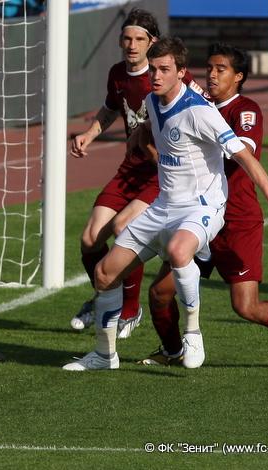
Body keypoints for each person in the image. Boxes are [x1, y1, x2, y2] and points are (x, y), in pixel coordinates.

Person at [63, 36, 268, 371]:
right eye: (153, 69)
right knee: (104, 273)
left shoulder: (200, 112)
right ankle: (104, 355)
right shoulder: (152, 100)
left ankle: (193, 334)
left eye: (164, 69)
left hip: (202, 206)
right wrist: (140, 136)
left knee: (178, 250)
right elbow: (152, 124)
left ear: (182, 72)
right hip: (163, 205)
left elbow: (244, 157)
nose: (155, 76)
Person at [140, 43, 268, 371]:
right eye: (209, 68)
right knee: (159, 293)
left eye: (221, 69)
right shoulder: (194, 104)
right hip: (198, 216)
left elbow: (241, 154)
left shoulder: (245, 110)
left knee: (245, 306)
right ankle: (173, 350)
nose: (212, 74)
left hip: (236, 219)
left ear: (238, 77)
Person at [70, 8, 195, 338]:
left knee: (124, 227)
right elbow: (112, 107)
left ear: (152, 42)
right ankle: (103, 297)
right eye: (126, 38)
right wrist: (89, 134)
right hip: (130, 170)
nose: (132, 44)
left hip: (160, 172)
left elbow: (198, 103)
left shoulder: (167, 76)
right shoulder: (117, 73)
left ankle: (129, 310)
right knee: (90, 239)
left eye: (139, 38)